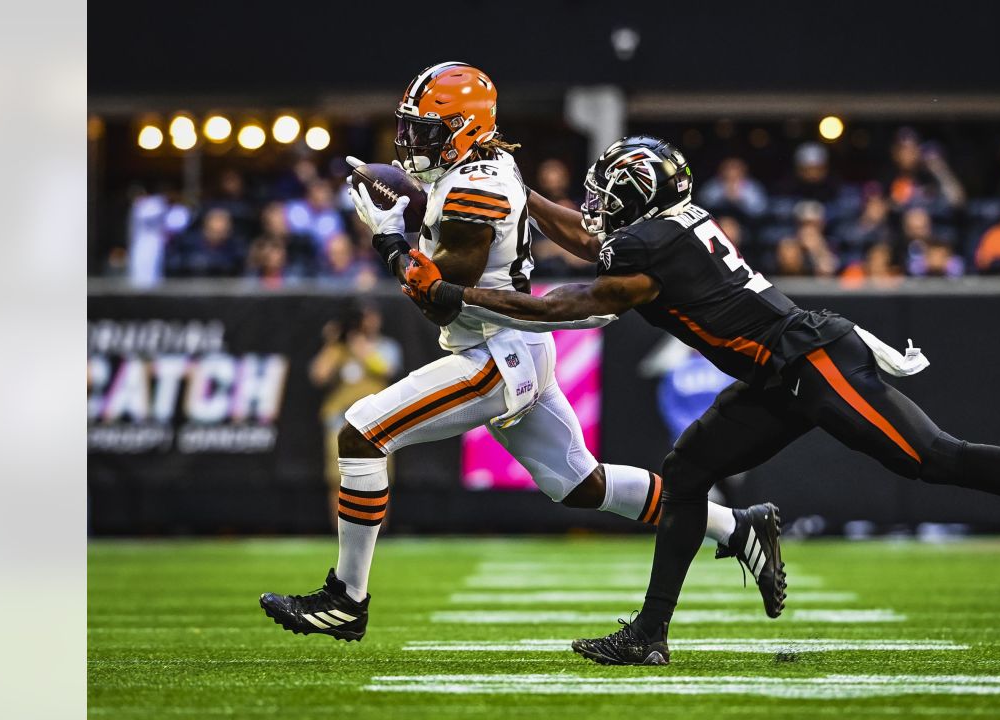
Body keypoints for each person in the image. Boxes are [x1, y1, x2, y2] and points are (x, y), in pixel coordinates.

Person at [402, 135, 1000, 666]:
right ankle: (650, 633)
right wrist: (517, 188)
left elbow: (571, 302)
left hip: (814, 362)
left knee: (934, 459)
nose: (596, 203)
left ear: (639, 197)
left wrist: (458, 293)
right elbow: (586, 241)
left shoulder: (649, 248)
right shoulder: (664, 231)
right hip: (780, 371)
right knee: (688, 468)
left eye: (609, 193)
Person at [259, 65, 779, 643]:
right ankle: (735, 527)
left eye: (428, 130)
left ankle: (346, 598)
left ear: (464, 128)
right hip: (518, 347)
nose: (413, 143)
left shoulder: (472, 187)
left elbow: (441, 301)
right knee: (581, 483)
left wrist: (387, 238)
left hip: (493, 355)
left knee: (362, 433)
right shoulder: (490, 163)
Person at [310, 302, 402, 525]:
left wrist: (361, 347)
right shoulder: (338, 349)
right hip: (341, 418)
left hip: (376, 417)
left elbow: (388, 369)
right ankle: (339, 529)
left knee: (381, 474)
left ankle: (379, 530)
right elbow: (318, 375)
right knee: (338, 475)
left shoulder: (386, 346)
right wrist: (332, 343)